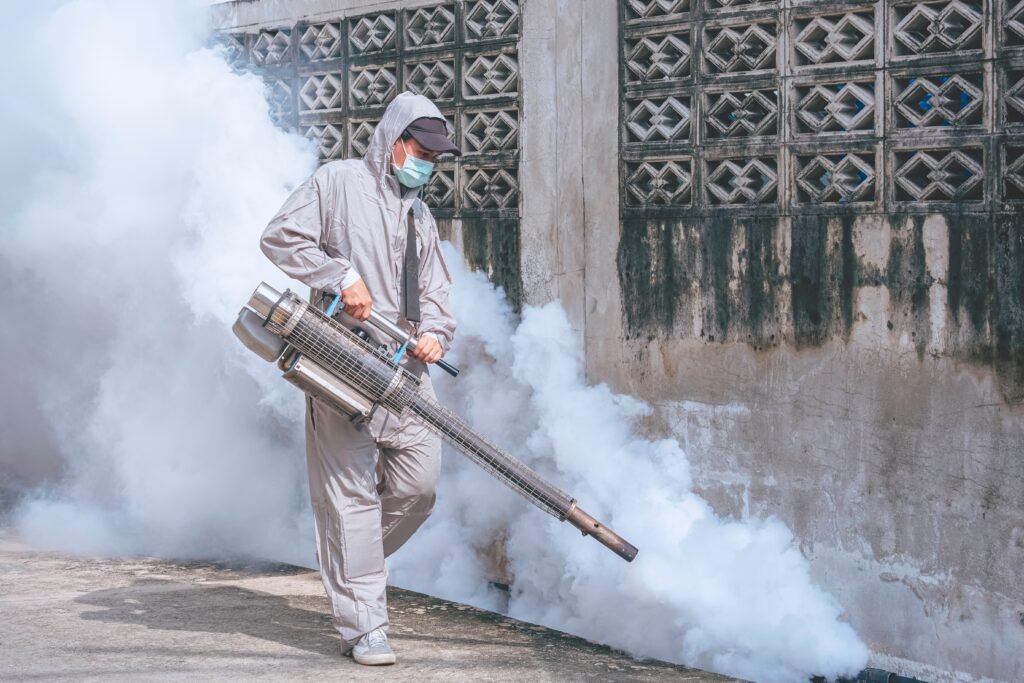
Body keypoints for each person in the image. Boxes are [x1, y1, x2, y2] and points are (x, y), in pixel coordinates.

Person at [259, 91, 459, 666]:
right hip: (340, 358)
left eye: (435, 157)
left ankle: (351, 565)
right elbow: (279, 237)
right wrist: (339, 273)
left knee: (419, 486)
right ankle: (364, 625)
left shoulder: (420, 211)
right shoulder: (337, 182)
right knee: (349, 498)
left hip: (407, 371)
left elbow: (438, 289)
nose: (427, 163)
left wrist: (437, 334)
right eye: (421, 151)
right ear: (394, 142)